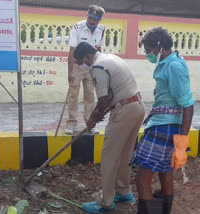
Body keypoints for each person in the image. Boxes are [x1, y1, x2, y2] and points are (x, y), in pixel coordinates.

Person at [73, 42, 145, 213]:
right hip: (137, 106)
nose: (81, 66)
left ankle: (105, 201)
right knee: (125, 152)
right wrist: (98, 115)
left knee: (109, 155)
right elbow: (111, 96)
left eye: (81, 62)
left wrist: (92, 118)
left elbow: (104, 99)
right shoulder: (110, 58)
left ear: (88, 57)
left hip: (124, 110)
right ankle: (123, 191)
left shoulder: (97, 66)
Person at [130, 27, 194, 214]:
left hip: (165, 126)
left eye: (148, 49)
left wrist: (182, 146)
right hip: (164, 124)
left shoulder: (173, 66)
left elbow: (188, 105)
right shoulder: (169, 63)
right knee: (165, 170)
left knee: (143, 176)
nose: (146, 54)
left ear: (158, 46)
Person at [65, 5, 106, 135]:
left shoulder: (102, 30)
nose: (91, 21)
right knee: (73, 95)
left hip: (91, 67)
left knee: (90, 96)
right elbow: (72, 51)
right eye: (90, 17)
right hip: (77, 66)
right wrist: (70, 71)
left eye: (95, 19)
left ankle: (90, 123)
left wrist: (98, 70)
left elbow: (99, 50)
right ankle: (71, 123)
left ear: (99, 20)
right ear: (87, 15)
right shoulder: (78, 27)